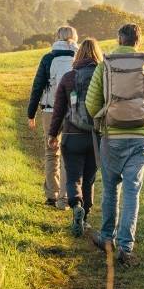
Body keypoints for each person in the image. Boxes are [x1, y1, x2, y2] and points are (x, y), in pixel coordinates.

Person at [85, 23, 144, 265]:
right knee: (132, 190)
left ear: (119, 40)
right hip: (141, 137)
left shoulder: (104, 66)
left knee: (111, 188)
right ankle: (126, 246)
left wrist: (108, 114)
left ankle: (106, 237)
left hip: (111, 135)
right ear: (138, 41)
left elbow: (91, 105)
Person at [47, 38, 103, 237]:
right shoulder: (102, 76)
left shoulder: (69, 77)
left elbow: (59, 110)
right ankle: (85, 218)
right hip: (96, 136)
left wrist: (53, 134)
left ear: (78, 55)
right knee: (89, 179)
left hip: (72, 135)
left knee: (73, 177)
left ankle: (76, 205)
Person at [26, 26, 78, 209]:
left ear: (57, 38)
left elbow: (38, 86)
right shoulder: (79, 57)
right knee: (68, 154)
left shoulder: (48, 58)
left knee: (51, 152)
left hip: (50, 110)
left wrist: (31, 113)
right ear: (74, 38)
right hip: (74, 111)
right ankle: (66, 196)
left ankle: (52, 195)